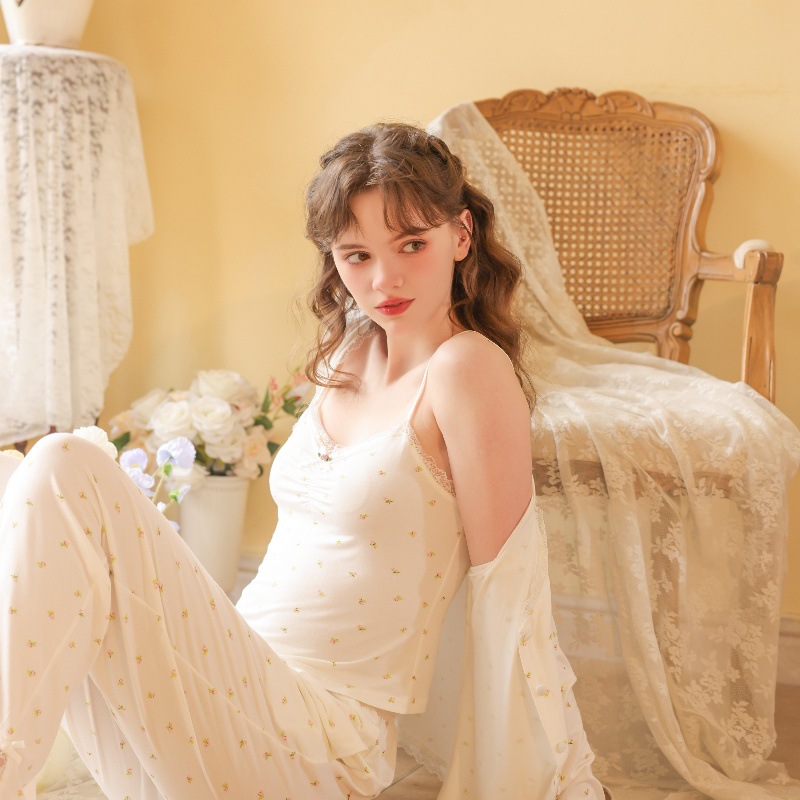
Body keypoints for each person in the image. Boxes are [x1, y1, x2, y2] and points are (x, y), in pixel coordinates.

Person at [0, 122, 609, 800]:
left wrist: (554, 771)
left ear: (461, 235)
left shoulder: (466, 368)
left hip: (320, 740)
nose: (384, 279)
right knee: (22, 484)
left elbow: (509, 591)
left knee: (63, 465)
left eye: (412, 244)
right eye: (357, 255)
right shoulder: (349, 350)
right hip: (238, 687)